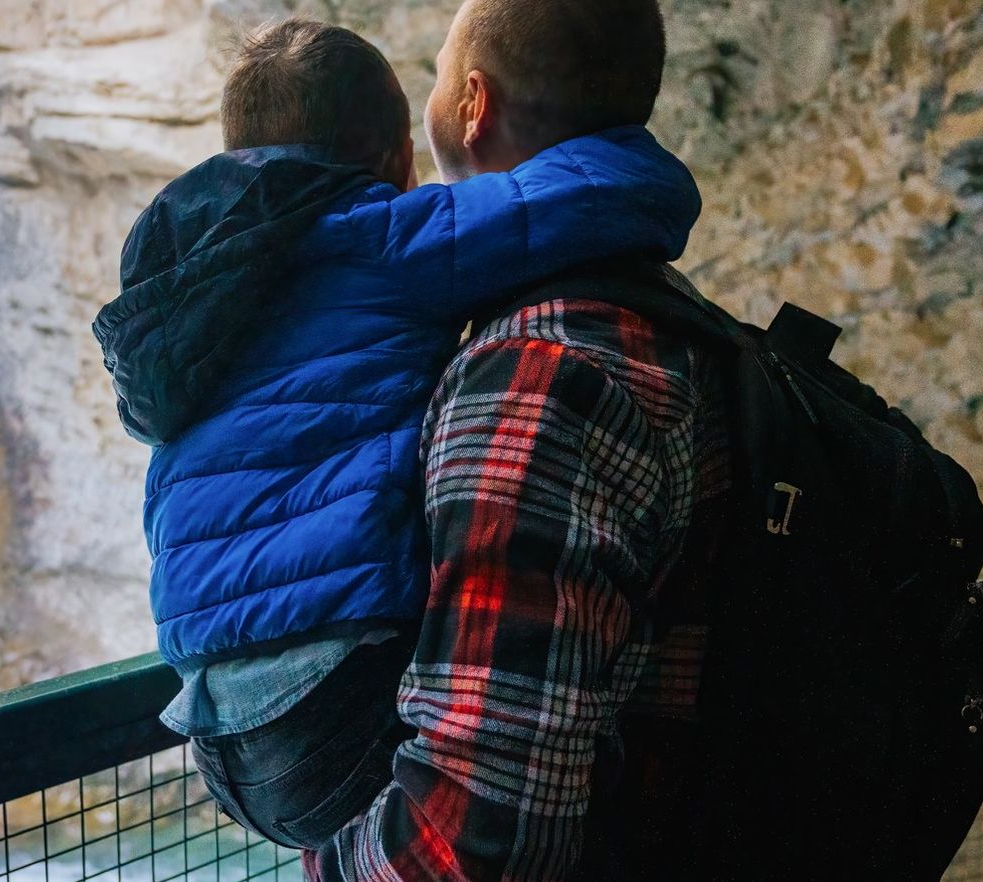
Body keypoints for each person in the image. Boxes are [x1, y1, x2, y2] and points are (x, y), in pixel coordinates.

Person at [91, 16, 701, 851]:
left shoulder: (183, 297)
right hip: (339, 699)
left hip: (210, 722)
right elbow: (571, 202)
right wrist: (652, 160)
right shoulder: (375, 241)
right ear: (393, 165)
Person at [306, 0, 734, 879]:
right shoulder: (668, 317)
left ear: (471, 104)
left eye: (433, 72)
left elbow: (475, 844)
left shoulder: (536, 376)